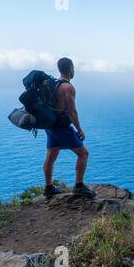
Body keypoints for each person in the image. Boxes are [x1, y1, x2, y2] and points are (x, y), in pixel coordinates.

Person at [43, 57, 96, 199]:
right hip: (62, 126)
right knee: (83, 153)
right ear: (70, 68)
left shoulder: (52, 84)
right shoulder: (68, 87)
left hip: (50, 126)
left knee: (51, 154)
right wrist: (79, 130)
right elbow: (72, 112)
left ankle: (48, 188)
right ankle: (79, 186)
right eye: (73, 68)